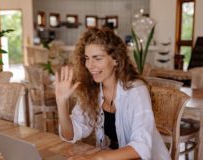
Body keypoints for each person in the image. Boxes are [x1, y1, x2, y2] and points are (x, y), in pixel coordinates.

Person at [55, 27, 170, 160]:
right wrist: (61, 102)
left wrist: (96, 158)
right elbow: (70, 134)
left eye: (97, 58)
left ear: (115, 59)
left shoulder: (136, 90)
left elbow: (141, 147)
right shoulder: (93, 89)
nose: (90, 65)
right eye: (87, 58)